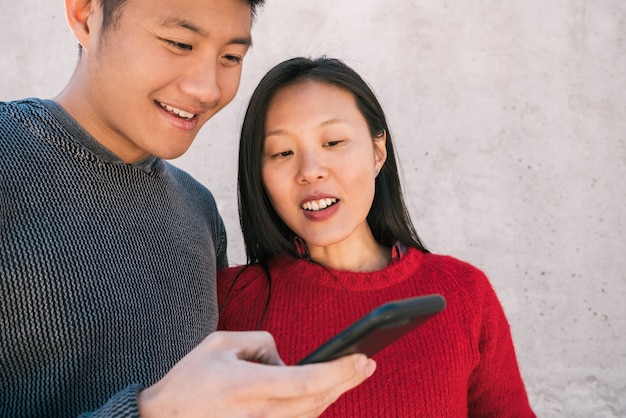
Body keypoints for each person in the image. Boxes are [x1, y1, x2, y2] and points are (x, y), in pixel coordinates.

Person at [0, 1, 375, 416]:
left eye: (230, 57)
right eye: (179, 43)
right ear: (86, 15)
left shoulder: (198, 211)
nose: (208, 89)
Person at [217, 56, 536, 416]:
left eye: (334, 141)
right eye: (282, 152)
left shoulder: (465, 293)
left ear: (377, 151)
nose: (310, 171)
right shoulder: (227, 301)